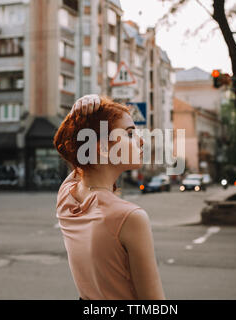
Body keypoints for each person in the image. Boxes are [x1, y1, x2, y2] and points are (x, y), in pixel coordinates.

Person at [54, 94, 166, 300]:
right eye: (130, 134)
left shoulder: (67, 197)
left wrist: (78, 114)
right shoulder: (129, 217)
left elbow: (71, 147)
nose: (141, 141)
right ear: (103, 148)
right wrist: (80, 110)